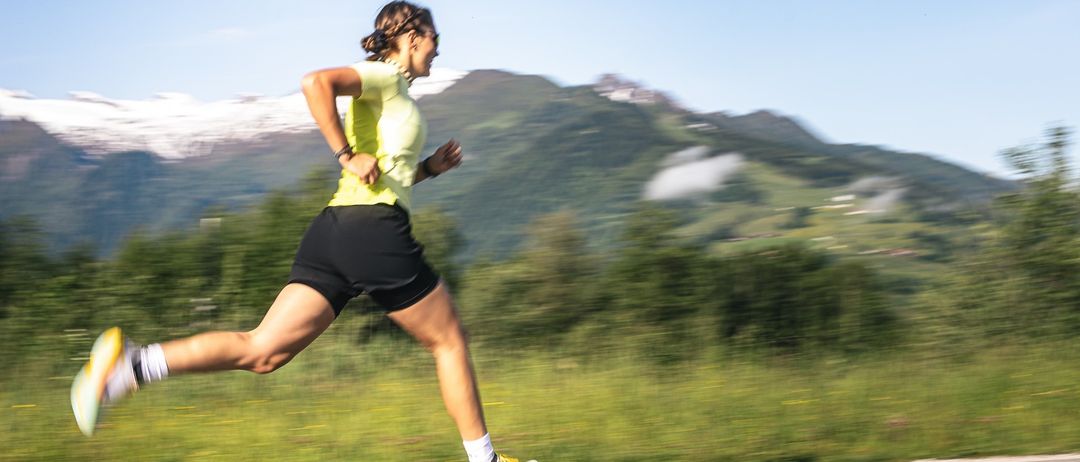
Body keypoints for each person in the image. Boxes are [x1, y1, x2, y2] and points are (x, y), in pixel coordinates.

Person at [70, 2, 520, 461]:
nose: (438, 49)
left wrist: (428, 169)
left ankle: (130, 367)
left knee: (263, 352)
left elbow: (386, 176)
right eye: (434, 39)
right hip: (372, 231)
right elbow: (315, 82)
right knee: (448, 340)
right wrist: (345, 154)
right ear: (410, 38)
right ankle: (485, 459)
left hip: (337, 230)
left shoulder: (396, 92)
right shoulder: (384, 77)